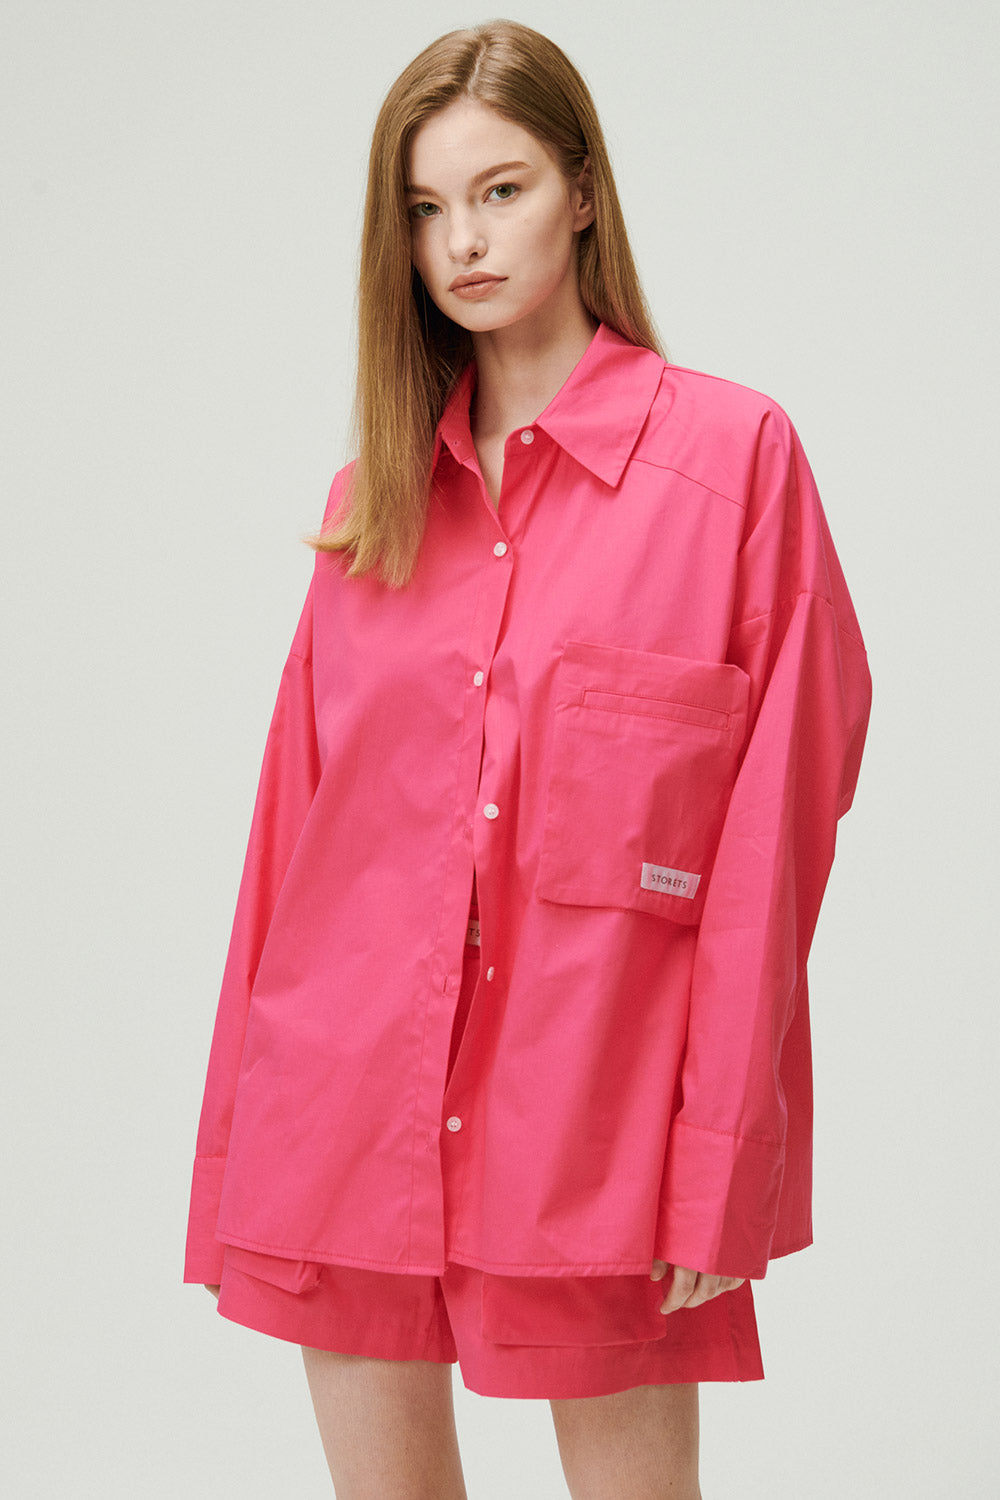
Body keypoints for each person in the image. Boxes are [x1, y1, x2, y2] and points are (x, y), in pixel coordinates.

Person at [183, 18, 872, 1499]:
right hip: (344, 1117)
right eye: (425, 208)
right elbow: (293, 847)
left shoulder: (734, 466)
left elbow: (773, 845)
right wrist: (243, 1143)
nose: (463, 242)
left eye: (500, 191)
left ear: (583, 191)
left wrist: (718, 1159)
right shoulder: (370, 502)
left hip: (597, 1137)